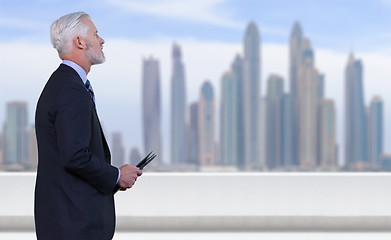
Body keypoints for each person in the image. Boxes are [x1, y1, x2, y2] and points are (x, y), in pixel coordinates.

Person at [34, 12, 142, 240]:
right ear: (80, 42)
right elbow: (74, 156)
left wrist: (113, 178)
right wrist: (115, 175)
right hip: (75, 226)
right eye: (96, 34)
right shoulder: (71, 89)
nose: (102, 40)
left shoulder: (63, 84)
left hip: (66, 221)